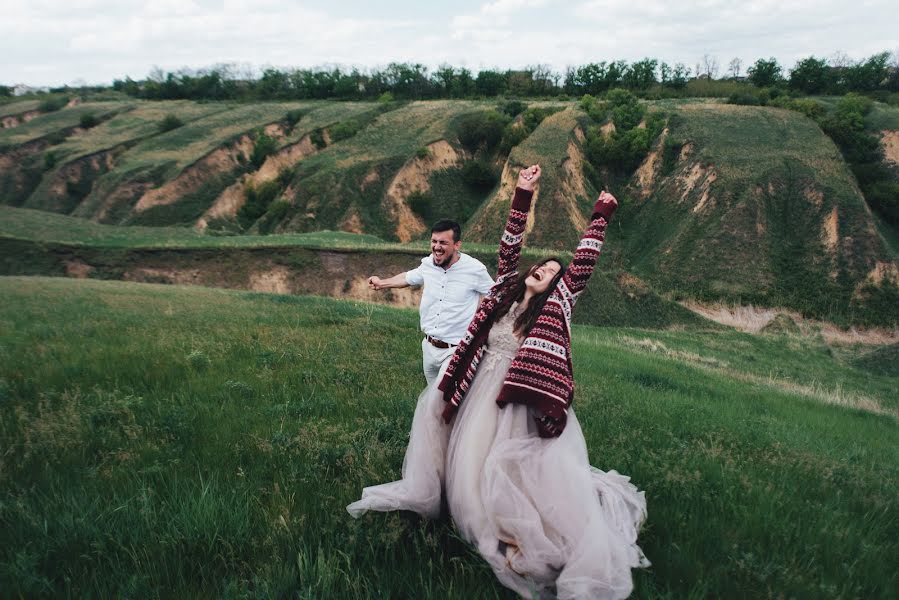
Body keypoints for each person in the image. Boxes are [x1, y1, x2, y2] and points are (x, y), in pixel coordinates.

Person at [348, 165, 648, 599]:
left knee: (494, 464)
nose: (544, 269)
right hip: (475, 381)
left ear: (556, 286)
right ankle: (444, 500)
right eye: (540, 265)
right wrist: (522, 193)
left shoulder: (553, 308)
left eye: (552, 271)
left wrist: (600, 215)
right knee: (444, 429)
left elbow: (581, 265)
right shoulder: (505, 290)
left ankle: (497, 527)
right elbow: (510, 245)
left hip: (511, 397)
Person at [367, 219, 494, 385]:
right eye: (434, 241)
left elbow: (495, 294)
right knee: (431, 400)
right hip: (429, 347)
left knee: (439, 397)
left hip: (456, 349)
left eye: (443, 243)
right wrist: (382, 283)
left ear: (457, 245)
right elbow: (408, 278)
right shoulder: (428, 264)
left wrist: (479, 314)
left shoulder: (475, 269)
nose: (436, 247)